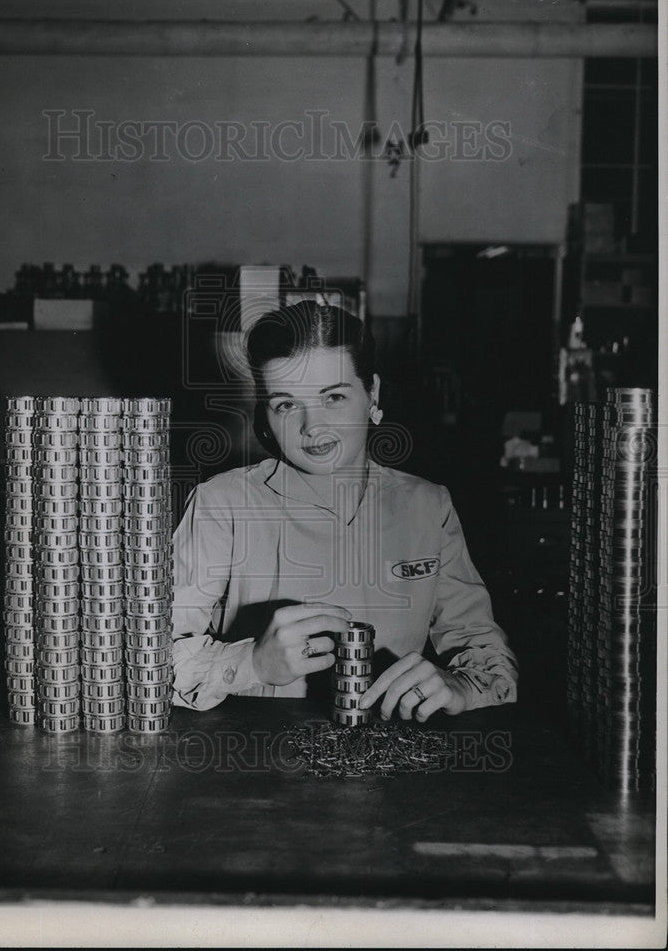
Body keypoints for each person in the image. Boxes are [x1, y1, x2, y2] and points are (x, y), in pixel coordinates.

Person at [171, 300, 517, 721]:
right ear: (265, 412)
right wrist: (252, 665)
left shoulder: (428, 505)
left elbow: (482, 650)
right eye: (285, 404)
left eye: (333, 396)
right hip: (253, 763)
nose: (312, 427)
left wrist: (460, 684)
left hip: (390, 759)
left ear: (373, 393)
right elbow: (147, 655)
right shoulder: (221, 504)